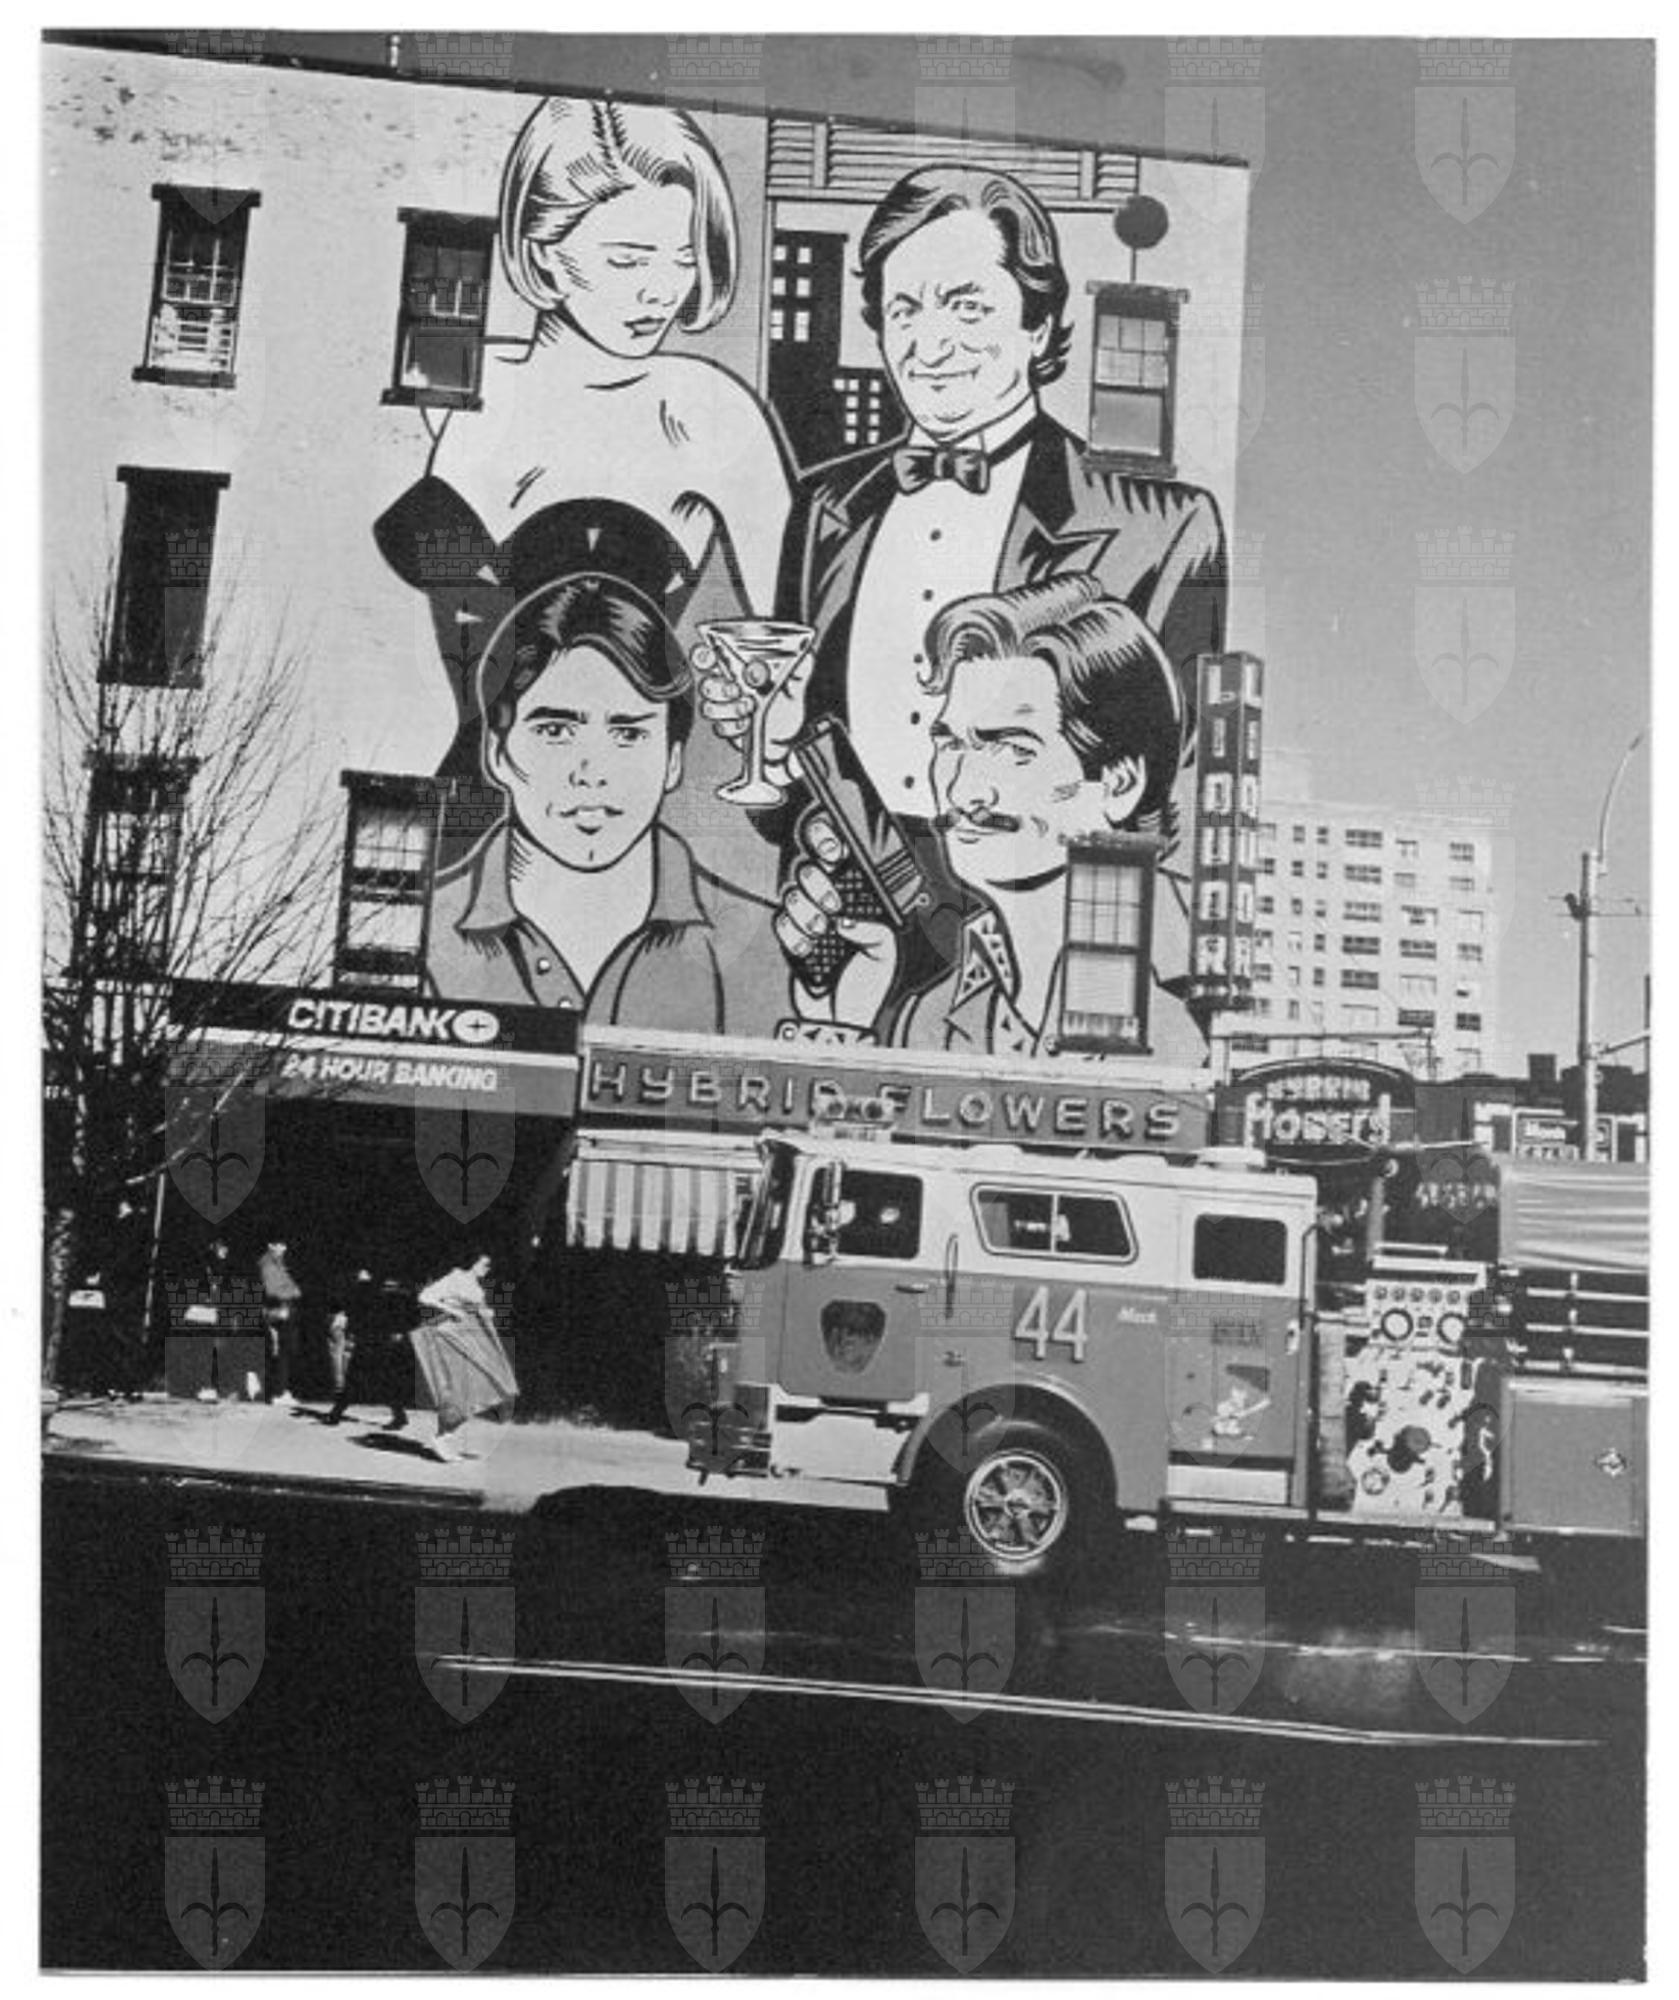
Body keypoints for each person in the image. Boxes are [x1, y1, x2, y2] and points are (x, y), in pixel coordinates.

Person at [699, 161, 1227, 1011]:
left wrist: (1095, 1001)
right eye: (904, 310)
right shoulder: (827, 506)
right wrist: (769, 755)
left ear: (1037, 325)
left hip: (1037, 953)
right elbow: (808, 772)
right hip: (852, 944)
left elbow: (1170, 813)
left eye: (966, 306)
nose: (930, 343)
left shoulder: (1161, 527)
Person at [375, 94, 791, 854]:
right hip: (474, 806)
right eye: (627, 260)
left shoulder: (708, 413)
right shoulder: (469, 390)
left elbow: (791, 647)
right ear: (541, 255)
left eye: (682, 259)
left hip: (621, 806)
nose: (661, 290)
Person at [776, 575, 1202, 1062]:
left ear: (1119, 783)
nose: (963, 789)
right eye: (951, 744)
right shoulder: (932, 1013)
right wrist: (839, 1019)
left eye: (1012, 748)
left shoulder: (1198, 978)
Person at [423, 517, 782, 1034]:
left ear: (673, 761)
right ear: (497, 751)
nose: (591, 773)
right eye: (556, 731)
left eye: (628, 733)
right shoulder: (428, 932)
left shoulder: (760, 941)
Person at [407, 1253, 519, 1464]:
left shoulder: (474, 1282)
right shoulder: (455, 1278)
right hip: (451, 1337)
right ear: (472, 1261)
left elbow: (473, 1306)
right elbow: (425, 1297)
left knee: (483, 1385)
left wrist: (484, 1312)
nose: (488, 1268)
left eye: (490, 1265)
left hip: (470, 1339)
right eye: (485, 1264)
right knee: (459, 1390)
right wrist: (450, 1309)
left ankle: (444, 1436)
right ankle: (443, 1437)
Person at [324, 1270, 411, 1433]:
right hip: (371, 1339)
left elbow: (392, 1315)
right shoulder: (369, 1294)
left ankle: (337, 1413)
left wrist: (396, 1331)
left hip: (376, 1339)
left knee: (369, 1377)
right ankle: (337, 1413)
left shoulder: (381, 1294)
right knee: (372, 1378)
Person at [257, 1238, 302, 1406]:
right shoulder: (268, 1264)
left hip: (282, 1312)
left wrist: (291, 1290)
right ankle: (278, 1392)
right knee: (281, 1352)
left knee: (285, 1351)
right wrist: (291, 1292)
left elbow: (291, 1288)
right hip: (276, 1312)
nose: (284, 1248)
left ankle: (280, 1390)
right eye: (280, 1245)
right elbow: (272, 1290)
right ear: (270, 1245)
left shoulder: (278, 1264)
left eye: (285, 1245)